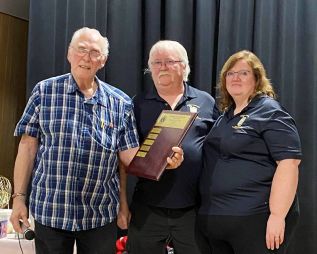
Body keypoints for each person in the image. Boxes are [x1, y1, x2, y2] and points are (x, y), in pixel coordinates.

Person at [10, 27, 183, 254]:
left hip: (99, 216)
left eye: (94, 53)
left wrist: (163, 159)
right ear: (69, 54)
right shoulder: (45, 91)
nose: (86, 57)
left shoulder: (120, 103)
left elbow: (129, 158)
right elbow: (27, 147)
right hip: (50, 211)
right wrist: (19, 198)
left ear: (103, 61)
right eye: (81, 50)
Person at [198, 50, 302, 254]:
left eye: (243, 73)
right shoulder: (224, 116)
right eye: (230, 73)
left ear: (257, 79)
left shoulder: (269, 111)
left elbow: (289, 163)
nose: (235, 77)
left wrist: (277, 216)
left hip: (256, 220)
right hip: (217, 220)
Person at [127, 40, 219, 254]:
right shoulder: (137, 103)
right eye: (156, 62)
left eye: (169, 61)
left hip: (193, 208)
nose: (162, 67)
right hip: (147, 207)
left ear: (184, 66)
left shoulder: (206, 101)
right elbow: (125, 154)